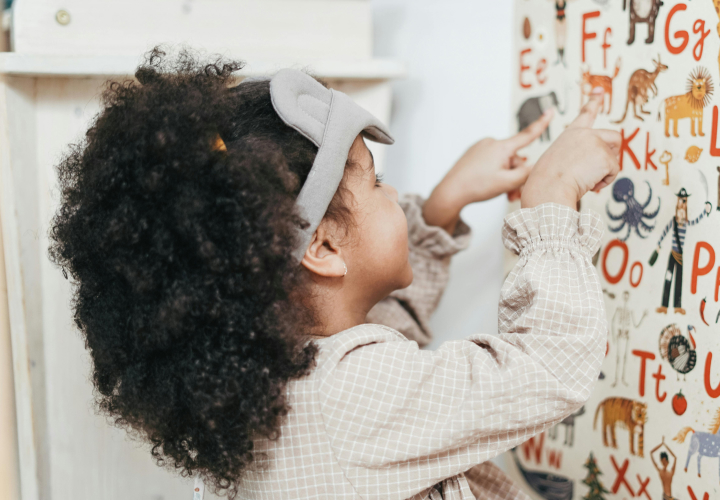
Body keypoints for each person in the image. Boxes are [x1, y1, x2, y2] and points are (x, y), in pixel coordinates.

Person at [47, 48, 620, 499]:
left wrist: (445, 204)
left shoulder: (283, 383)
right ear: (320, 246)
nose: (393, 191)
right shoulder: (350, 399)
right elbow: (549, 366)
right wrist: (552, 197)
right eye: (374, 181)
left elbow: (380, 335)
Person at [655, 188, 712, 315]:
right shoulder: (674, 221)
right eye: (680, 200)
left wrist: (705, 211)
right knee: (668, 278)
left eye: (684, 201)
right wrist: (659, 244)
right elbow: (664, 231)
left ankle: (677, 306)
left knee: (679, 280)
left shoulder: (685, 222)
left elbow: (696, 221)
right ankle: (664, 305)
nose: (682, 203)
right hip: (672, 254)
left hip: (680, 256)